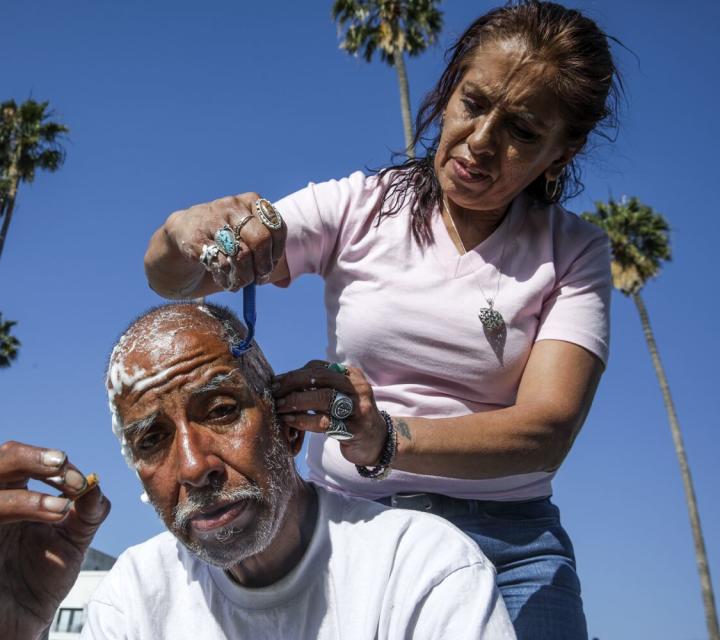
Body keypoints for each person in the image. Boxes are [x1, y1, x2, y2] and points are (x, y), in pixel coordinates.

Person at [143, 2, 620, 638]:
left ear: (564, 151)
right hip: (351, 533)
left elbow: (547, 429)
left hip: (510, 547)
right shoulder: (357, 207)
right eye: (473, 103)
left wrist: (384, 437)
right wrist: (182, 236)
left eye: (523, 131)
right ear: (448, 92)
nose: (481, 141)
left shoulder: (576, 251)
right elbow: (176, 277)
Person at [0, 303, 516, 639]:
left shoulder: (419, 572)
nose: (193, 467)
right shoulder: (135, 599)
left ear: (287, 425)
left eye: (223, 411)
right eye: (152, 440)